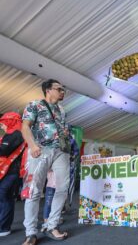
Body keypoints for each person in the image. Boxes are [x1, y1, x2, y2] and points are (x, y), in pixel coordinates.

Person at [22, 79, 70, 245]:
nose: (63, 91)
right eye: (59, 88)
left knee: (62, 189)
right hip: (40, 150)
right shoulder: (34, 104)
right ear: (48, 90)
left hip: (61, 152)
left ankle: (52, 226)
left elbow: (63, 130)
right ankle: (31, 233)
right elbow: (25, 127)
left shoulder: (62, 110)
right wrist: (32, 145)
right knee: (34, 191)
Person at [0, 112, 25, 237]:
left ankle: (4, 227)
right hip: (7, 171)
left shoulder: (16, 134)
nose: (2, 126)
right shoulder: (10, 134)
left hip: (11, 171)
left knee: (4, 197)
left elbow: (3, 150)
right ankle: (3, 226)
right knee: (4, 197)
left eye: (3, 124)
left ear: (10, 122)